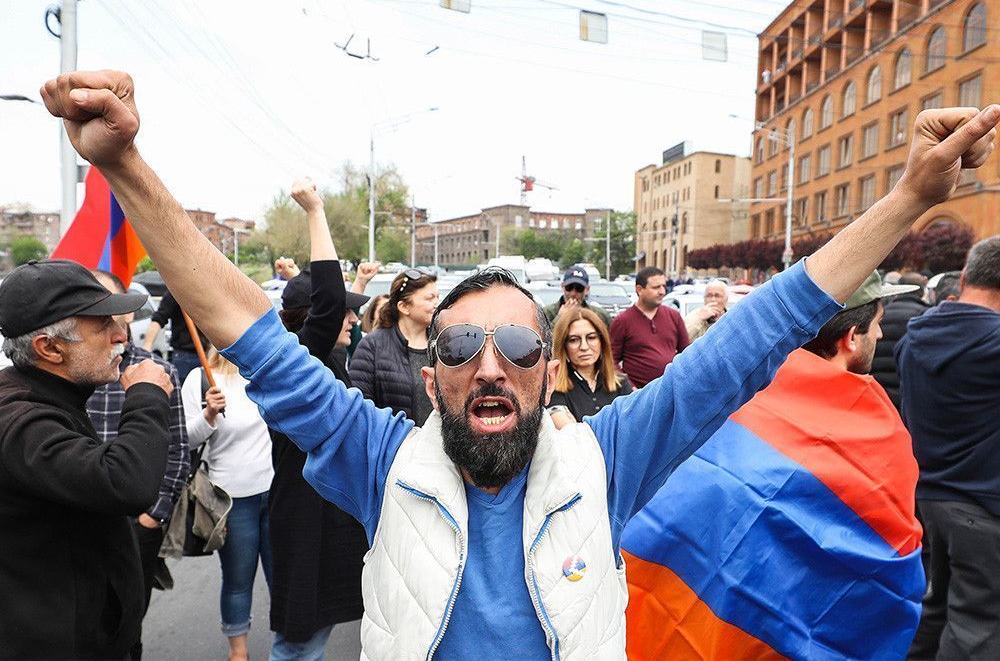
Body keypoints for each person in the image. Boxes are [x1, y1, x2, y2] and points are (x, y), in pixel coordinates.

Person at [40, 68, 998, 659]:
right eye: (461, 344)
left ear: (547, 373)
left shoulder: (607, 456)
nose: (490, 363)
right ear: (432, 376)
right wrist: (126, 165)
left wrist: (910, 195)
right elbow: (246, 323)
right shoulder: (381, 460)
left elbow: (762, 332)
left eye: (520, 345)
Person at [622, 272, 925, 659]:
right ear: (851, 338)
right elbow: (889, 561)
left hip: (661, 609)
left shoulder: (736, 381)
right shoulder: (876, 431)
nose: (880, 336)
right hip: (772, 629)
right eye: (878, 325)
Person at [0, 259, 172, 658]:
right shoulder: (20, 420)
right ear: (49, 348)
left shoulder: (50, 394)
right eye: (102, 326)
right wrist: (147, 397)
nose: (122, 337)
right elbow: (124, 483)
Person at [268, 178, 370, 660]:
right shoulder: (299, 362)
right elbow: (332, 303)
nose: (353, 321)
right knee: (299, 641)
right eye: (345, 317)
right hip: (303, 515)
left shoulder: (330, 362)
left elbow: (337, 305)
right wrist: (315, 211)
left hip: (325, 512)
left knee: (316, 630)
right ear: (312, 318)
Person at [896, 236, 1000, 660]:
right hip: (980, 506)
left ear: (963, 277)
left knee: (933, 609)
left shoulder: (915, 334)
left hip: (927, 498)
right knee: (978, 627)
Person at [86, 269, 191, 661]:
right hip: (80, 521)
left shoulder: (156, 372)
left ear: (128, 312)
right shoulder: (72, 372)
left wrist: (153, 515)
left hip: (136, 524)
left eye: (111, 306)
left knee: (129, 623)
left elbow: (178, 448)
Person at [181, 346, 274, 661]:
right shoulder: (200, 378)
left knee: (283, 577)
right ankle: (239, 653)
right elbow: (186, 439)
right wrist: (208, 414)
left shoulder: (264, 373)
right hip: (231, 499)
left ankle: (289, 647)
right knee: (238, 579)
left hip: (276, 493)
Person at [349, 268, 439, 426]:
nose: (437, 304)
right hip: (394, 447)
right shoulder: (372, 346)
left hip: (437, 447)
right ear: (404, 307)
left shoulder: (442, 344)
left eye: (438, 297)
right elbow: (361, 410)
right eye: (430, 298)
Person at [548, 307, 632, 427]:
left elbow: (631, 428)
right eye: (574, 340)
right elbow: (569, 431)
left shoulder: (621, 383)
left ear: (602, 342)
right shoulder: (553, 387)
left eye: (591, 337)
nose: (584, 346)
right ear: (563, 346)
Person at [610, 266, 689, 388]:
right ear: (639, 289)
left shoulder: (674, 316)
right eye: (656, 287)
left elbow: (686, 354)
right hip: (638, 395)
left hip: (668, 390)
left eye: (664, 286)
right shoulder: (623, 321)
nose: (662, 291)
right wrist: (628, 387)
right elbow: (611, 360)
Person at [871, 272, 926, 409]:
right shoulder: (925, 316)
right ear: (922, 292)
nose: (879, 334)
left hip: (879, 391)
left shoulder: (880, 315)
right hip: (909, 394)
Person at [143, 287, 211, 382]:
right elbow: (159, 318)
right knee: (183, 394)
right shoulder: (176, 290)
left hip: (209, 355)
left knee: (208, 394)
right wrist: (147, 347)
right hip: (185, 357)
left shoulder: (209, 290)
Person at [542, 265, 611, 327]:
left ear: (587, 289)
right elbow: (544, 340)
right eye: (569, 287)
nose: (573, 293)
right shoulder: (547, 313)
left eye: (579, 288)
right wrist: (560, 318)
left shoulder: (600, 315)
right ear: (562, 286)